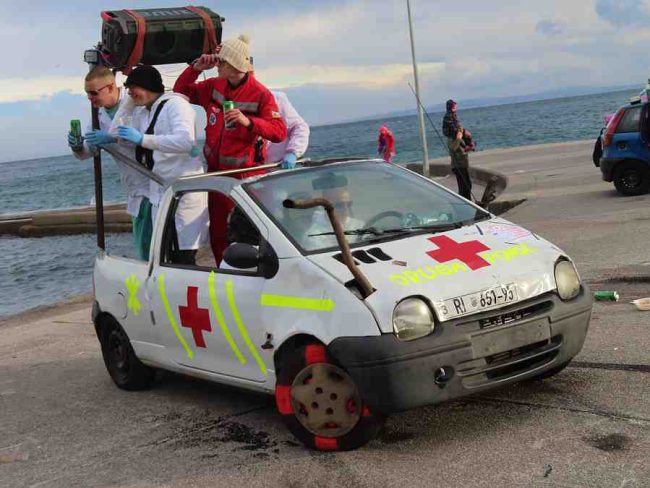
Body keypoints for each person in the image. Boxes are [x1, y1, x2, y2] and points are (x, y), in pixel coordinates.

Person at [173, 34, 287, 264]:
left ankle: (251, 274)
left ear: (235, 64)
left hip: (246, 177)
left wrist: (249, 122)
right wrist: (195, 68)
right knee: (218, 234)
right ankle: (223, 273)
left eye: (221, 61)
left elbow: (278, 131)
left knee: (247, 234)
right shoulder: (214, 85)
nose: (217, 65)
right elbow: (181, 91)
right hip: (216, 175)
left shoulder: (261, 94)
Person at [112, 65, 208, 265]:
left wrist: (143, 139)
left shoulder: (176, 105)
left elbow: (185, 141)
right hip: (161, 192)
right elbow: (115, 132)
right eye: (128, 89)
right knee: (165, 260)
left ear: (148, 86)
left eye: (134, 88)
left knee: (184, 259)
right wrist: (130, 100)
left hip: (182, 192)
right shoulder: (145, 112)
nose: (130, 94)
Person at [67, 66, 152, 260]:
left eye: (93, 93)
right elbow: (89, 150)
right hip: (135, 185)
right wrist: (77, 147)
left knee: (160, 246)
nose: (90, 98)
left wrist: (112, 137)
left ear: (111, 87)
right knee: (144, 248)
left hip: (154, 177)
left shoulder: (135, 102)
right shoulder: (97, 116)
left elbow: (146, 137)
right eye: (87, 94)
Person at [265, 90, 310, 168]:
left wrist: (293, 152)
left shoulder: (276, 98)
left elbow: (298, 127)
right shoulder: (241, 103)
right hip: (252, 170)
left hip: (282, 166)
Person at [448, 126, 473, 200]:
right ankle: (465, 202)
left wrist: (469, 137)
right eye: (459, 130)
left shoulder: (461, 137)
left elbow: (468, 146)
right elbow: (453, 149)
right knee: (463, 187)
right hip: (457, 165)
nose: (460, 131)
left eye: (461, 130)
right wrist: (458, 138)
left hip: (464, 164)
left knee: (468, 185)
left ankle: (468, 201)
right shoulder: (451, 139)